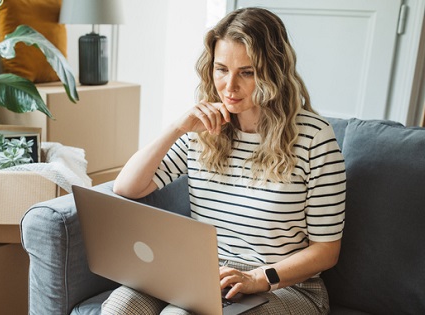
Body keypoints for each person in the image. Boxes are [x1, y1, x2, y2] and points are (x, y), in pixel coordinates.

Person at [104, 7, 346, 315]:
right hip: (204, 274)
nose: (229, 87)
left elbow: (327, 251)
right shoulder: (204, 129)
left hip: (287, 287)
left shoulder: (314, 138)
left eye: (247, 72)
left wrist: (258, 278)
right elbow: (127, 187)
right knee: (121, 306)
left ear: (273, 71)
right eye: (221, 69)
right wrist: (176, 127)